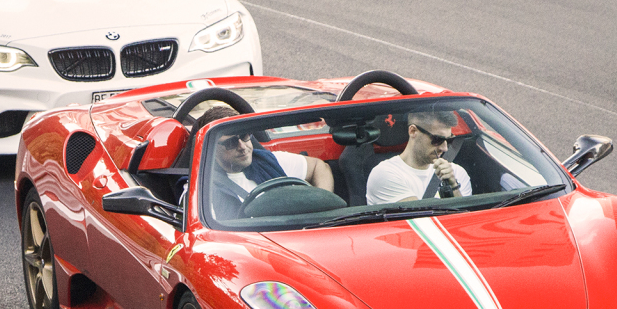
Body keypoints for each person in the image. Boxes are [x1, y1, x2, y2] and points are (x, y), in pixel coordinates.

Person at [195, 106, 334, 217]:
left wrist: (323, 208)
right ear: (210, 149)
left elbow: (320, 167)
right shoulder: (199, 191)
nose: (242, 147)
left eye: (244, 135)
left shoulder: (269, 160)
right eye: (231, 143)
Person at [366, 109, 472, 205]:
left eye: (449, 140)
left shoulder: (457, 173)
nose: (445, 148)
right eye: (437, 140)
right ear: (413, 131)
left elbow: (468, 220)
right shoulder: (384, 174)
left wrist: (453, 186)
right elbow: (419, 219)